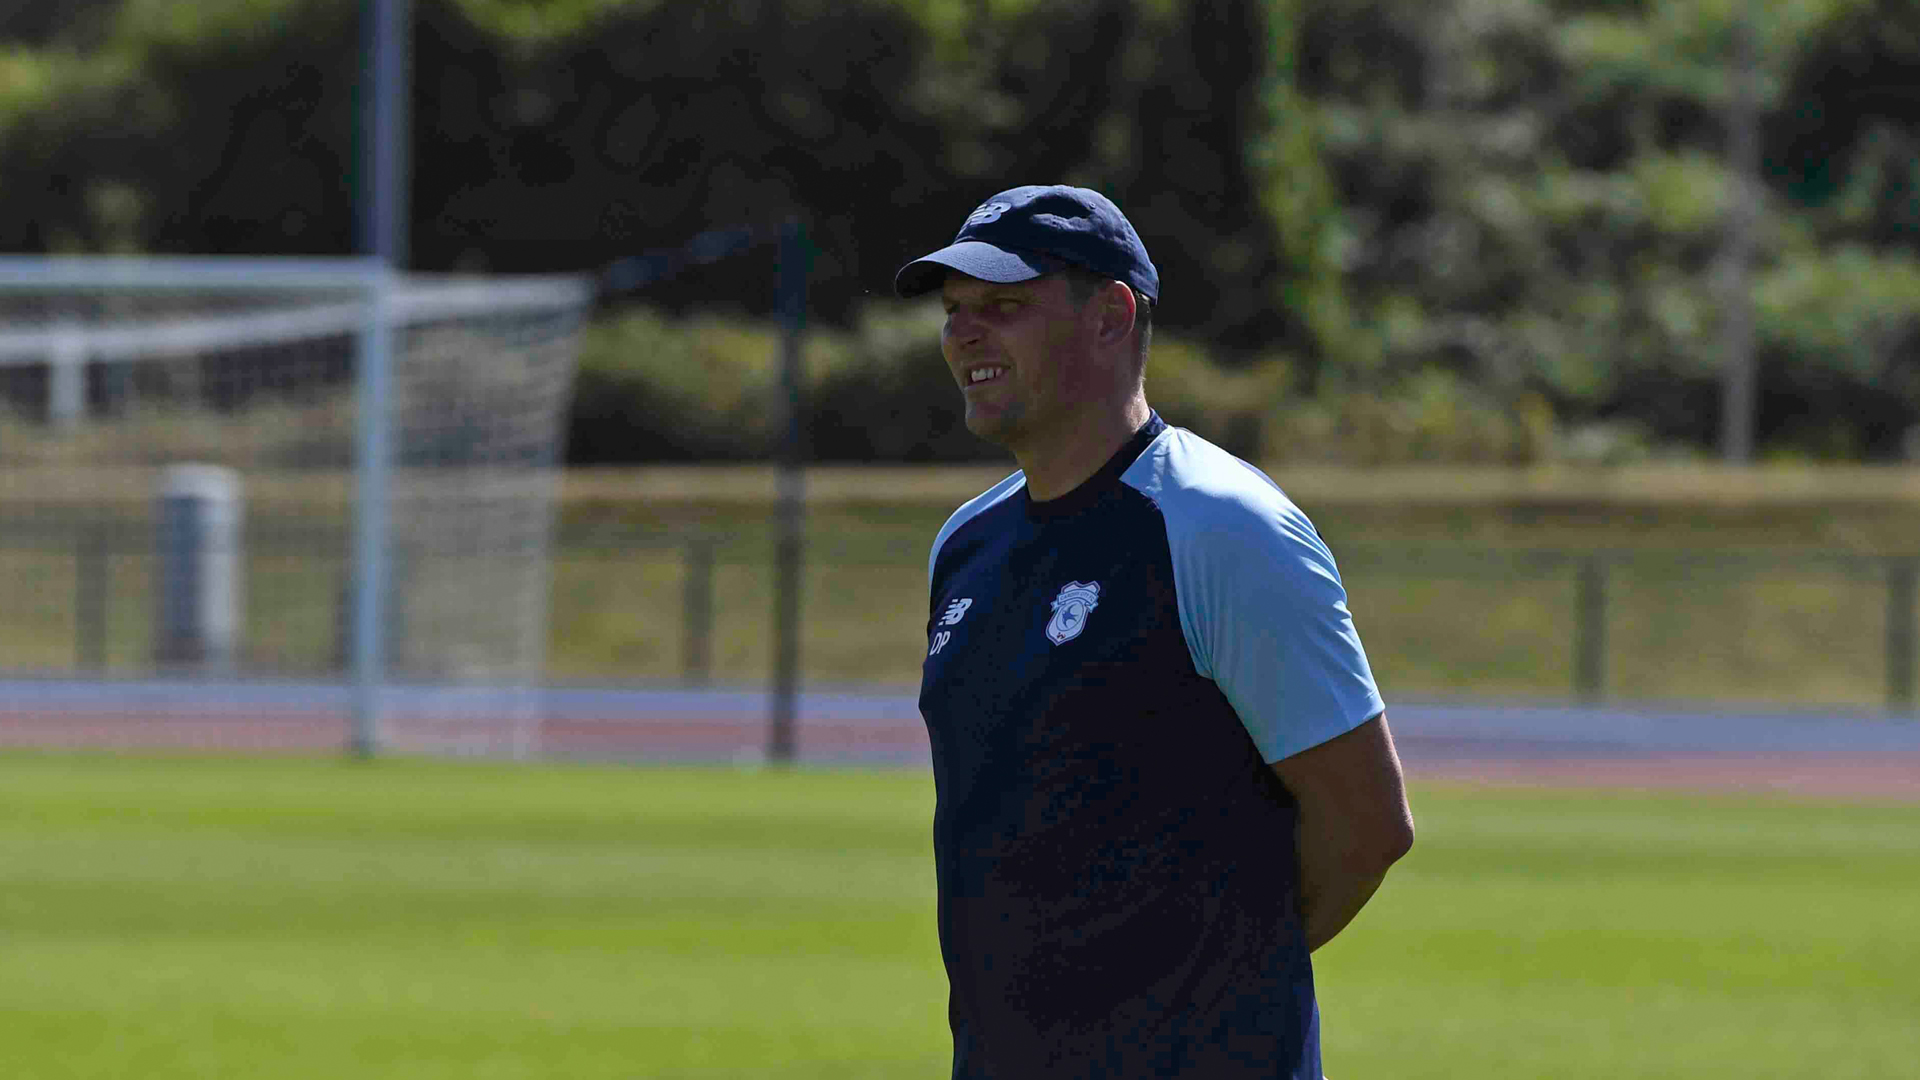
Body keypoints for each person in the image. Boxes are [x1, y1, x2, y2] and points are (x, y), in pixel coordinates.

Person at [895, 184, 1415, 1079]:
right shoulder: (966, 545)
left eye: (1005, 307)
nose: (965, 334)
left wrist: (1216, 976)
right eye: (955, 312)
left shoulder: (1218, 526)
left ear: (1112, 316)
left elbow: (1365, 824)